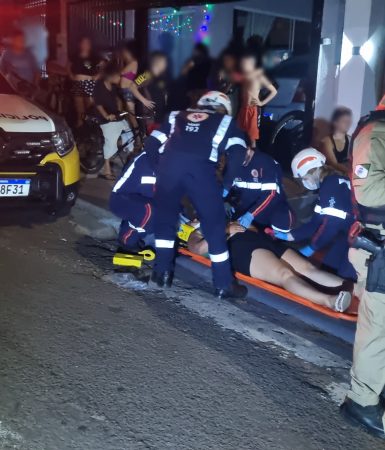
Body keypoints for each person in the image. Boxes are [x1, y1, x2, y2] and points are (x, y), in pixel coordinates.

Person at [145, 91, 248, 299]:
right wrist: (226, 187)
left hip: (168, 170)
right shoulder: (226, 121)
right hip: (200, 173)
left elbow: (151, 144)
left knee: (165, 220)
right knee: (214, 227)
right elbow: (238, 153)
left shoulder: (176, 115)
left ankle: (161, 273)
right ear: (225, 108)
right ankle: (223, 285)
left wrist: (160, 170)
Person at [340, 97, 385, 438]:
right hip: (378, 245)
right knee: (378, 328)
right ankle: (363, 402)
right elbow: (368, 193)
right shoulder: (374, 133)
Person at [188, 224, 351, 312]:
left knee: (307, 268)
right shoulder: (196, 228)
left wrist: (244, 226)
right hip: (240, 250)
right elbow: (197, 249)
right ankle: (330, 301)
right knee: (285, 274)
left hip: (258, 240)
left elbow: (251, 228)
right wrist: (225, 229)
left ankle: (356, 289)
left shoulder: (224, 213)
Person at [274, 148, 356, 280]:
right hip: (349, 236)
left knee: (342, 277)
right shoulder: (331, 184)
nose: (305, 181)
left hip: (357, 238)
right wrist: (289, 236)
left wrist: (312, 247)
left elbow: (331, 226)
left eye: (304, 177)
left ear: (311, 171)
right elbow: (315, 223)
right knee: (330, 268)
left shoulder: (330, 185)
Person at [223, 150, 293, 233]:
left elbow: (271, 194)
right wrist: (227, 201)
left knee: (277, 224)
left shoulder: (265, 162)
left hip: (269, 208)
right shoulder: (234, 163)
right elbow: (229, 185)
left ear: (248, 150)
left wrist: (251, 214)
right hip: (246, 209)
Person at [110, 151, 155, 251]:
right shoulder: (147, 160)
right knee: (149, 210)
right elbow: (148, 193)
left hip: (137, 198)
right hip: (121, 198)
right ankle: (127, 240)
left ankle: (140, 233)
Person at [93, 62, 127, 180]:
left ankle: (124, 156)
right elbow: (98, 104)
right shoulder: (99, 86)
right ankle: (106, 168)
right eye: (118, 75)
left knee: (130, 133)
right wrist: (106, 115)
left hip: (116, 116)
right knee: (111, 141)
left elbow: (117, 99)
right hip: (105, 119)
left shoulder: (113, 87)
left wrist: (120, 107)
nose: (120, 78)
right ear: (111, 75)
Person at [238, 52, 277, 149]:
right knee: (240, 134)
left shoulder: (259, 77)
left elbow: (273, 91)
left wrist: (262, 102)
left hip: (252, 110)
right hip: (243, 110)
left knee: (252, 138)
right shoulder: (243, 77)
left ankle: (254, 156)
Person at [125, 51, 168, 130]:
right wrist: (144, 100)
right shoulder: (147, 74)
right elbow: (132, 86)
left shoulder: (163, 75)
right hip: (151, 115)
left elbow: (164, 93)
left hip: (161, 112)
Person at [69, 37, 100, 127]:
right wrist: (70, 75)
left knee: (90, 110)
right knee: (80, 111)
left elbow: (104, 66)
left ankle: (91, 131)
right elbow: (68, 66)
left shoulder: (94, 57)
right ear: (80, 44)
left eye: (87, 43)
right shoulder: (75, 56)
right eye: (83, 43)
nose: (85, 45)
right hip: (77, 84)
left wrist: (97, 76)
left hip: (89, 83)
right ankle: (80, 134)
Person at [320, 107, 353, 175]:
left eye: (349, 121)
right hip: (332, 175)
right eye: (344, 121)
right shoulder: (327, 141)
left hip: (347, 174)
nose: (348, 124)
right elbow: (333, 164)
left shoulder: (350, 139)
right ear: (335, 123)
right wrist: (351, 172)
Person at [117, 40, 140, 133]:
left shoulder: (134, 62)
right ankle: (133, 137)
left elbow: (120, 72)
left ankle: (139, 138)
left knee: (132, 116)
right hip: (124, 91)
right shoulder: (129, 62)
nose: (123, 53)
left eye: (124, 51)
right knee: (127, 115)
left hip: (128, 92)